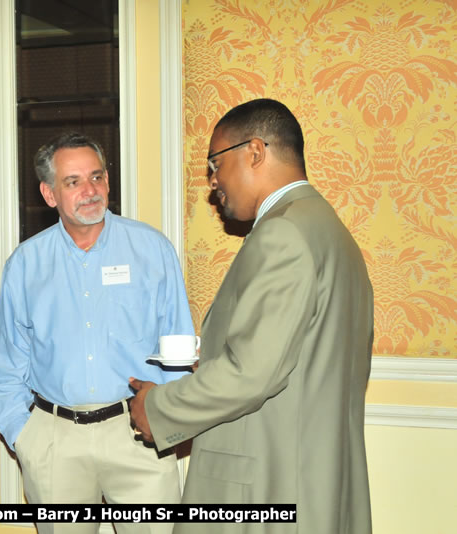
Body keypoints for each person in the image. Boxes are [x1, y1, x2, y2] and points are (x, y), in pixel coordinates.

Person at [129, 99, 374, 533]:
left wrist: (159, 407)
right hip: (314, 480)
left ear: (255, 152)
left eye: (216, 163)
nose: (212, 181)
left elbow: (253, 373)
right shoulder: (329, 231)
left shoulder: (283, 233)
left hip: (269, 487)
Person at [0, 132, 196, 534]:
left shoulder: (151, 250)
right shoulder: (25, 265)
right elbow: (9, 362)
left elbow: (178, 346)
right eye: (74, 182)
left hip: (138, 434)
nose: (90, 191)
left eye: (97, 177)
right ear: (49, 194)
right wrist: (26, 438)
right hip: (54, 440)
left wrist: (168, 421)